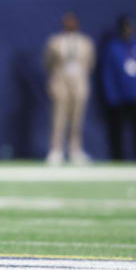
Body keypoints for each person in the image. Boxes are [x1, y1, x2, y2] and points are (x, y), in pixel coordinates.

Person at [44, 12, 95, 166]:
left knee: (77, 119)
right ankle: (56, 150)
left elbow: (90, 64)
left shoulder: (86, 43)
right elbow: (48, 63)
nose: (70, 24)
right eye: (68, 21)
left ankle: (75, 150)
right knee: (58, 118)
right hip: (61, 82)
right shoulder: (55, 42)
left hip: (79, 83)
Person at [101, 15, 136, 160]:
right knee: (118, 132)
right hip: (120, 98)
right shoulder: (112, 48)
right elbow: (108, 74)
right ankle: (118, 159)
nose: (128, 31)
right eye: (125, 28)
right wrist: (112, 96)